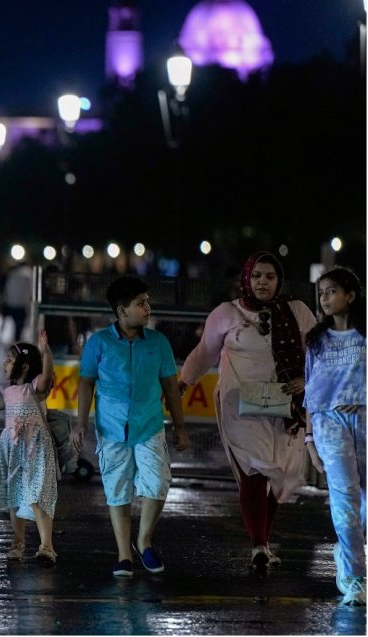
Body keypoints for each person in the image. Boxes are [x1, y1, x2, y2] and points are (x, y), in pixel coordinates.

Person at [178, 251, 316, 568]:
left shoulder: (297, 311)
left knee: (279, 474)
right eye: (256, 276)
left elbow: (316, 354)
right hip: (239, 404)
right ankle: (258, 544)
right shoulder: (226, 314)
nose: (263, 282)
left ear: (279, 280)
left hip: (285, 405)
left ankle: (263, 542)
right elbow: (204, 353)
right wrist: (182, 384)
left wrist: (302, 379)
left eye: (269, 276)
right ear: (246, 279)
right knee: (254, 469)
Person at [76, 276, 190, 577]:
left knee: (158, 482)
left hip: (150, 425)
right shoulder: (98, 343)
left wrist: (180, 427)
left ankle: (144, 540)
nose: (148, 308)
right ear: (121, 310)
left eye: (148, 302)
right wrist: (81, 424)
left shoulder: (158, 343)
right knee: (117, 489)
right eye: (141, 304)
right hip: (110, 428)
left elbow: (170, 386)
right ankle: (124, 554)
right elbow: (86, 383)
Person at [303, 267, 365, 606]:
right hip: (330, 426)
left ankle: (348, 550)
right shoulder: (316, 339)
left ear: (351, 295)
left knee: (363, 503)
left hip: (366, 422)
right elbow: (311, 392)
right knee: (344, 500)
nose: (325, 298)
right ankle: (355, 577)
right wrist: (309, 440)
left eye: (331, 291)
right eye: (321, 293)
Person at [0, 329, 59, 563]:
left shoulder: (34, 388)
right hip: (13, 450)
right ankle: (18, 540)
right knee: (15, 496)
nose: (4, 363)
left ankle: (46, 546)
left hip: (35, 449)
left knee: (36, 496)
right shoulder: (10, 391)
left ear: (24, 366)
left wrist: (46, 351)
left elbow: (48, 376)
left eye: (10, 360)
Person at [2, 263, 33, 343]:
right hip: (22, 303)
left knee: (15, 321)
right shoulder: (28, 274)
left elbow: (8, 288)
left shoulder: (13, 274)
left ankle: (16, 338)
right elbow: (30, 289)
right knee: (20, 323)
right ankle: (17, 338)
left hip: (12, 302)